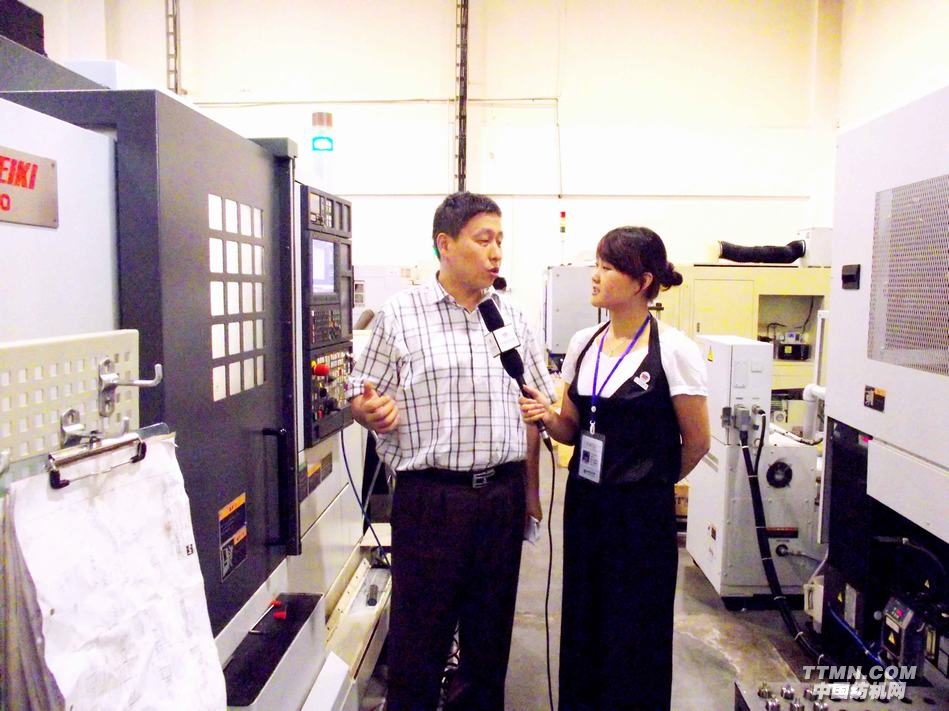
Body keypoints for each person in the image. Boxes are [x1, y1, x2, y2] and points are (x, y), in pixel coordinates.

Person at [346, 191, 556, 711]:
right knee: (420, 637)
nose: (496, 252)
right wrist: (369, 411)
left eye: (500, 240)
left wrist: (529, 493)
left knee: (489, 639)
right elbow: (360, 393)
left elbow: (535, 406)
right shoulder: (400, 315)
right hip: (431, 498)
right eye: (483, 240)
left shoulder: (511, 317)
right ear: (445, 243)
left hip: (501, 496)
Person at [519, 226, 711, 710]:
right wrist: (548, 415)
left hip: (641, 515)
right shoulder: (583, 343)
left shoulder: (675, 351)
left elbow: (697, 442)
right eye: (597, 265)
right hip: (586, 505)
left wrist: (650, 481)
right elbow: (571, 428)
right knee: (584, 618)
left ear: (642, 281)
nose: (595, 275)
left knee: (636, 628)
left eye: (607, 267)